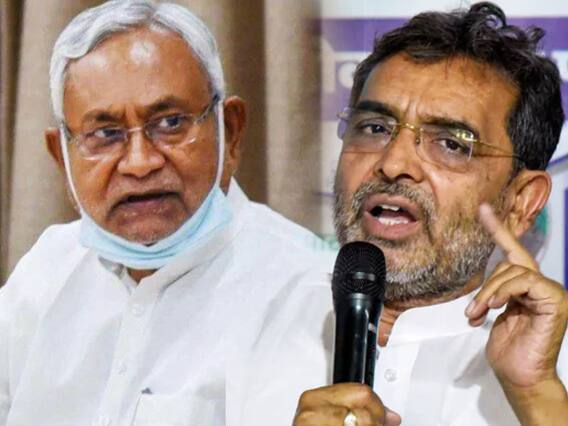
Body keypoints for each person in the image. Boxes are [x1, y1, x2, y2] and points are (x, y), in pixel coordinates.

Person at [235, 3, 568, 425]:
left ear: (521, 201)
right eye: (375, 128)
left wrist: (536, 394)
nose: (393, 164)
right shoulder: (248, 323)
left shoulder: (549, 368)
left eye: (451, 143)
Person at [0, 1, 330, 424]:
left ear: (230, 132)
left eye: (170, 123)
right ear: (62, 158)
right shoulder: (46, 270)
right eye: (105, 134)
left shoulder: (307, 290)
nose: (140, 163)